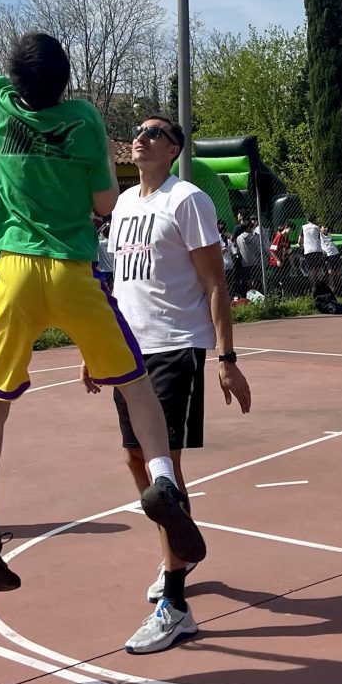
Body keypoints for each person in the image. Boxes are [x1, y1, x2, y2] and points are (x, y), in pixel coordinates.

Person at [0, 0, 207, 632]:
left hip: (15, 272)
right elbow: (105, 202)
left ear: (12, 80)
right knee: (135, 388)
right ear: (65, 80)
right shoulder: (82, 120)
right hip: (74, 272)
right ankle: (163, 481)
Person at [83, 117, 251, 653]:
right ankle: (174, 554)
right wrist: (99, 348)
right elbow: (118, 285)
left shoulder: (188, 200)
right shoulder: (123, 204)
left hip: (176, 345)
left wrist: (226, 356)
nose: (142, 136)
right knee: (135, 460)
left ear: (174, 148)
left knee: (165, 469)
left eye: (155, 132)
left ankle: (176, 606)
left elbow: (215, 282)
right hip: (129, 351)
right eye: (139, 130)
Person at [236, 220, 261, 294]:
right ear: (248, 228)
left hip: (244, 262)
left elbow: (238, 249)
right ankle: (255, 294)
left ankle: (250, 293)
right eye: (251, 227)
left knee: (248, 279)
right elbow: (258, 248)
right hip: (254, 261)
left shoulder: (239, 238)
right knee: (255, 278)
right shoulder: (253, 237)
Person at [298, 214, 323, 285]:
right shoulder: (317, 227)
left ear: (307, 220)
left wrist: (301, 246)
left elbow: (299, 241)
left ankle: (313, 286)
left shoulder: (303, 227)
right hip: (317, 249)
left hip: (308, 250)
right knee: (318, 269)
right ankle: (319, 285)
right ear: (314, 220)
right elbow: (320, 238)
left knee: (311, 269)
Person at [319, 224, 342, 292]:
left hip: (336, 254)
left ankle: (341, 287)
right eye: (324, 227)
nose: (326, 228)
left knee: (339, 271)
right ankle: (332, 288)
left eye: (326, 227)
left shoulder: (329, 234)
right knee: (330, 272)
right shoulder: (319, 235)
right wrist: (322, 251)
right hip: (328, 255)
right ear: (320, 229)